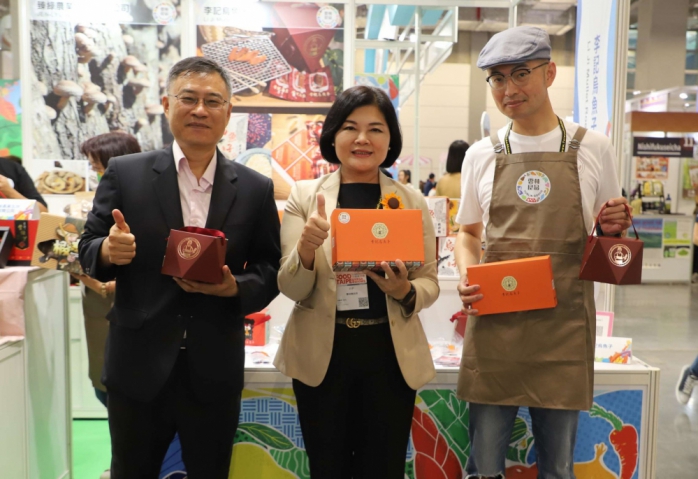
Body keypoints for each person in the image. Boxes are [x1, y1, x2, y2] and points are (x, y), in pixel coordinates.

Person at [79, 57, 281, 479]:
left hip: (214, 366)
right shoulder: (126, 173)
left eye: (213, 101)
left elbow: (269, 268)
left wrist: (234, 287)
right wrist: (108, 251)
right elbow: (87, 247)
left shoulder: (255, 188)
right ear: (168, 104)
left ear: (228, 112)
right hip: (138, 364)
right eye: (189, 99)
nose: (200, 110)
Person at [454, 26, 631, 479]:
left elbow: (611, 252)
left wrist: (613, 231)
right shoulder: (481, 154)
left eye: (521, 74)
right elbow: (467, 234)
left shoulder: (592, 148)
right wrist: (468, 275)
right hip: (496, 329)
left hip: (563, 332)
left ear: (549, 73)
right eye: (497, 78)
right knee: (484, 466)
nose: (508, 89)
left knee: (557, 468)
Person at [274, 85, 439, 479]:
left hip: (390, 356)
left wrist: (404, 291)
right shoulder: (305, 196)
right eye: (350, 127)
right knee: (327, 468)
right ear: (333, 136)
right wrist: (307, 249)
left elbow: (430, 282)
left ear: (390, 140)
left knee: (382, 469)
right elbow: (291, 287)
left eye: (376, 129)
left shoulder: (411, 201)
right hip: (322, 357)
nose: (362, 138)